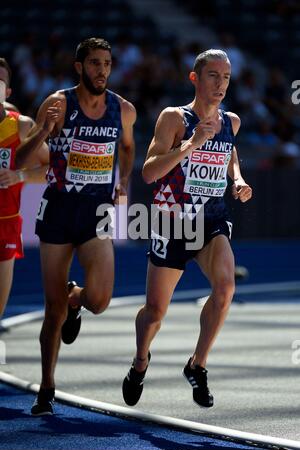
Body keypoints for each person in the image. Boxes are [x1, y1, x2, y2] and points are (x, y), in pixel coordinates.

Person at [122, 49, 252, 408]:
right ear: (195, 78)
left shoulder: (232, 121)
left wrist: (237, 179)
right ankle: (140, 361)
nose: (220, 84)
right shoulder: (174, 118)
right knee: (154, 313)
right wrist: (191, 143)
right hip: (171, 222)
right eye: (213, 75)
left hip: (211, 219)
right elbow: (149, 172)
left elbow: (229, 154)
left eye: (226, 77)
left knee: (225, 288)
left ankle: (197, 365)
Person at [15, 38, 136, 416]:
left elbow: (129, 147)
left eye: (107, 64)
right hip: (58, 210)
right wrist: (42, 131)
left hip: (96, 213)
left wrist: (124, 179)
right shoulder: (57, 104)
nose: (102, 70)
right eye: (95, 63)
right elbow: (21, 158)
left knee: (99, 300)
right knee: (52, 312)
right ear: (79, 67)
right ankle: (47, 389)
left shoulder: (123, 110)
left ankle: (76, 298)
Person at [0, 58, 49, 329]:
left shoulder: (20, 126)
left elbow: (53, 167)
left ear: (7, 92)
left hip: (5, 223)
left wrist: (19, 175)